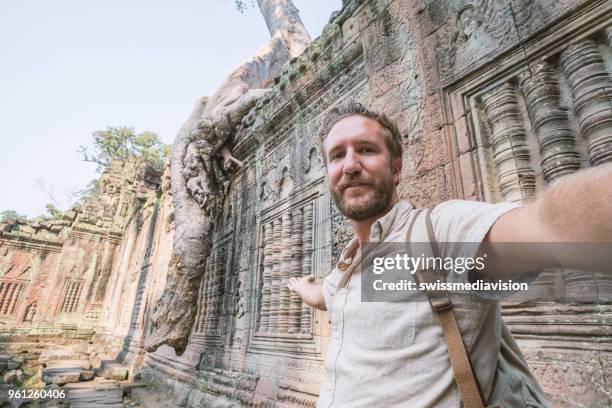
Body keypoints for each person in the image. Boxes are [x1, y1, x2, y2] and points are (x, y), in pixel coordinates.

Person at [287, 102, 612, 407]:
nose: (351, 166)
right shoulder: (345, 269)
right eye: (337, 156)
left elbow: (546, 226)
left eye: (366, 150)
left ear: (396, 169)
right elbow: (325, 296)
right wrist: (299, 286)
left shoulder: (437, 236)